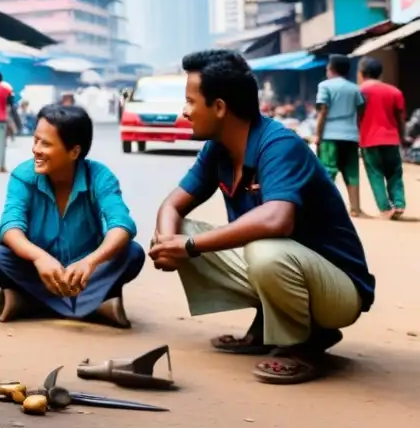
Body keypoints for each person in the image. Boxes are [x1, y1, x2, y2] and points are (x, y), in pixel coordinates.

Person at [149, 50, 374, 385]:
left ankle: (305, 344)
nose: (184, 112)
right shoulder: (218, 149)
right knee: (183, 232)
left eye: (190, 101)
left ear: (220, 107)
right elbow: (172, 205)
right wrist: (169, 244)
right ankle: (267, 326)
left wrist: (191, 246)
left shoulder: (279, 144)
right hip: (291, 268)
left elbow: (277, 220)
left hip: (339, 292)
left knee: (263, 248)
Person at [0, 105, 143, 328]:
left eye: (45, 143)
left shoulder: (99, 176)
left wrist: (90, 262)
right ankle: (94, 305)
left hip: (86, 275)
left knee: (133, 253)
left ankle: (30, 302)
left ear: (74, 152)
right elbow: (10, 227)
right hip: (41, 272)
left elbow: (121, 224)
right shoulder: (23, 175)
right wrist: (39, 258)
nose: (36, 149)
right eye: (36, 140)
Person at [315, 54, 365, 216]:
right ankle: (355, 208)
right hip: (351, 135)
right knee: (352, 171)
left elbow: (323, 112)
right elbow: (361, 111)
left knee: (328, 171)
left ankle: (324, 207)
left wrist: (318, 135)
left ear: (331, 69)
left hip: (330, 135)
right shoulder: (355, 88)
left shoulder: (325, 86)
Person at [357, 57, 407, 220]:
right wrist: (402, 136)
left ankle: (385, 208)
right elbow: (400, 117)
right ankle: (399, 204)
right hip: (391, 139)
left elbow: (357, 116)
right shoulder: (394, 91)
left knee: (375, 174)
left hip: (368, 140)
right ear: (380, 73)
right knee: (394, 173)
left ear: (362, 73)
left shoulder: (359, 91)